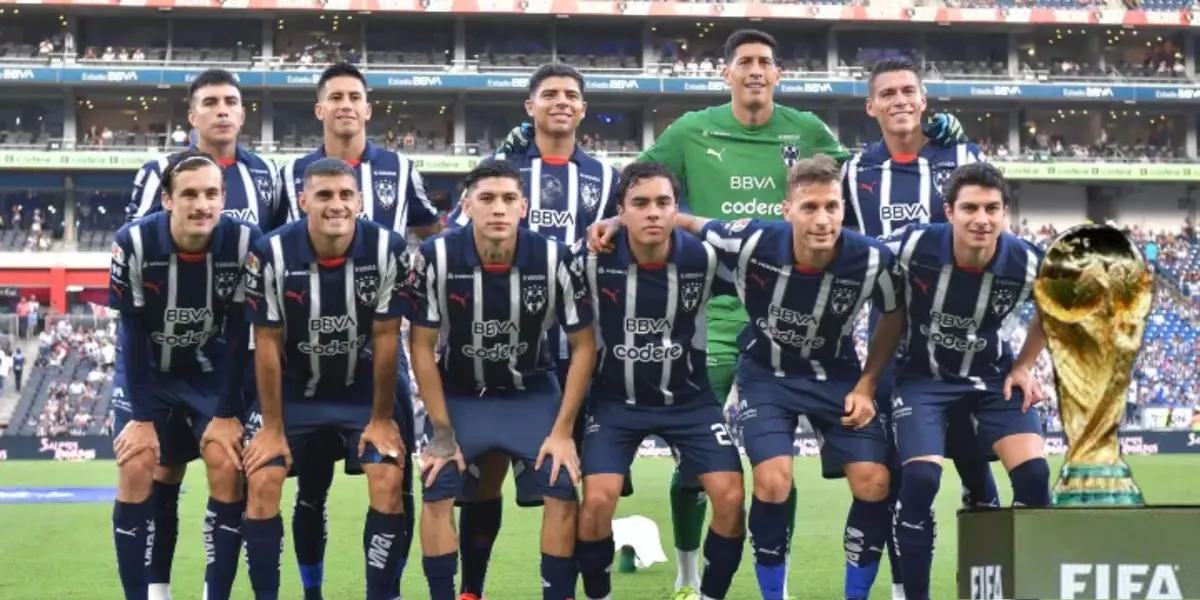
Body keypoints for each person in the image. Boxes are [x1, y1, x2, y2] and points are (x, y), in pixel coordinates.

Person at [497, 29, 968, 594]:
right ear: (726, 73)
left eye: (765, 62)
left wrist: (932, 139)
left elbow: (865, 176)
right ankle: (689, 573)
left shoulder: (809, 131)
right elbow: (638, 187)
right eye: (743, 61)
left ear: (777, 74)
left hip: (791, 313)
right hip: (706, 318)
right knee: (702, 463)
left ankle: (790, 582)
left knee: (797, 473)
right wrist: (536, 163)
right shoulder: (691, 130)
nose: (754, 70)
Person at [591, 153, 900, 600]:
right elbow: (687, 222)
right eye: (809, 207)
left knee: (875, 481)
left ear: (843, 210)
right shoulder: (754, 240)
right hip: (766, 375)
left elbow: (893, 313)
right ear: (787, 209)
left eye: (831, 207)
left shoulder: (872, 259)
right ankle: (773, 596)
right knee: (773, 481)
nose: (821, 218)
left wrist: (868, 383)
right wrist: (620, 223)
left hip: (837, 377)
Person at [444, 62, 622, 600]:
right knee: (488, 472)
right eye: (549, 95)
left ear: (584, 108)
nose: (561, 102)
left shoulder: (607, 178)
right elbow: (459, 240)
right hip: (506, 348)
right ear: (531, 107)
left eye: (571, 94)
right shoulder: (500, 176)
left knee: (583, 484)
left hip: (579, 347)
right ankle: (471, 588)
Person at [276, 61, 443, 600]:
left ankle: (387, 588)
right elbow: (270, 246)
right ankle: (311, 589)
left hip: (381, 349)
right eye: (336, 97)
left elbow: (433, 234)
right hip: (308, 351)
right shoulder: (292, 173)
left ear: (368, 108)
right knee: (311, 488)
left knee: (395, 475)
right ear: (320, 109)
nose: (346, 105)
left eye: (355, 96)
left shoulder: (400, 167)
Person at [118, 68, 282, 600]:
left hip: (221, 364)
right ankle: (152, 592)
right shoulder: (145, 210)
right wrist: (141, 416)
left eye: (231, 101)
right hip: (158, 359)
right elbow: (134, 313)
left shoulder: (262, 182)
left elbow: (262, 279)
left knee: (226, 463)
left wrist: (231, 406)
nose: (204, 204)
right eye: (209, 102)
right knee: (152, 466)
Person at [842, 57, 1001, 600]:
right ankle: (903, 587)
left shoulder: (962, 156)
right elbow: (838, 248)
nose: (900, 100)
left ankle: (989, 582)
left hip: (964, 347)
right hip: (894, 348)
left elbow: (994, 228)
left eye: (909, 90)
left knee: (978, 471)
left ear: (925, 99)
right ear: (871, 106)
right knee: (903, 478)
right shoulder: (854, 172)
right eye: (887, 93)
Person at [408, 160, 596, 600]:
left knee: (562, 485)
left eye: (509, 199)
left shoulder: (553, 257)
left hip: (530, 392)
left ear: (524, 207)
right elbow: (421, 346)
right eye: (487, 199)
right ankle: (462, 593)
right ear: (466, 206)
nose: (498, 209)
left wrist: (564, 431)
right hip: (462, 393)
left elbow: (584, 345)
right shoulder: (437, 256)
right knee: (437, 486)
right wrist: (440, 431)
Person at [237, 158, 413, 600]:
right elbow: (268, 344)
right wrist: (273, 430)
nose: (336, 204)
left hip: (360, 393)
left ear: (359, 201)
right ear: (302, 202)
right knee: (262, 479)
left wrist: (381, 418)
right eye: (323, 195)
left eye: (344, 195)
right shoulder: (269, 253)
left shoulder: (388, 248)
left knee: (388, 479)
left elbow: (388, 337)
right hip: (294, 394)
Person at [574, 161, 745, 600]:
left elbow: (765, 263)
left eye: (663, 202)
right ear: (620, 211)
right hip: (616, 401)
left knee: (729, 497)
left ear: (677, 209)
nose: (653, 212)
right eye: (640, 203)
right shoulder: (592, 260)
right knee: (596, 501)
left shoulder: (703, 258)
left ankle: (710, 595)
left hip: (690, 400)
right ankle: (599, 595)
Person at [880, 162, 1049, 600]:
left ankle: (1009, 590)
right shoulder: (914, 244)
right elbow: (857, 261)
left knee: (1034, 479)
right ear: (949, 211)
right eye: (970, 207)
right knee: (920, 482)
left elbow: (1055, 311)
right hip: (922, 380)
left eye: (992, 208)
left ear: (1005, 213)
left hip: (994, 381)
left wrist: (1025, 365)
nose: (982, 219)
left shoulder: (1029, 261)